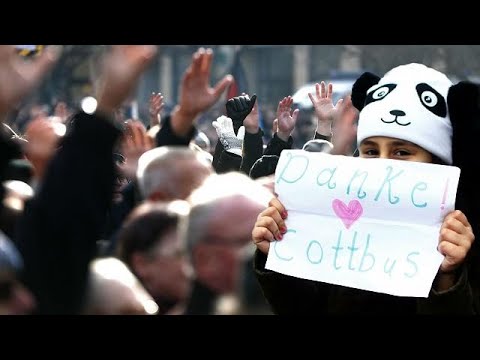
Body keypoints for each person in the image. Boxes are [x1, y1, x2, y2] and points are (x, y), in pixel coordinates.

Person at [252, 63, 478, 314]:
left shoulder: (462, 238)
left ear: (437, 162)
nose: (383, 164)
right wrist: (277, 255)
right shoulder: (335, 225)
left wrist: (448, 278)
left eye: (402, 152)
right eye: (371, 151)